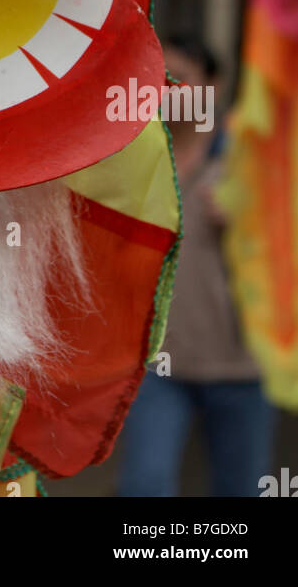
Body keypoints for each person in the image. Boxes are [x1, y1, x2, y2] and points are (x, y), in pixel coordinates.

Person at [115, 35, 277, 497]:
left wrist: (250, 223)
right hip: (158, 367)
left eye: (179, 80)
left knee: (242, 490)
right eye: (156, 81)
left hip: (243, 367)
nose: (166, 92)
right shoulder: (135, 161)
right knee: (143, 487)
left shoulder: (253, 164)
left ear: (214, 85)